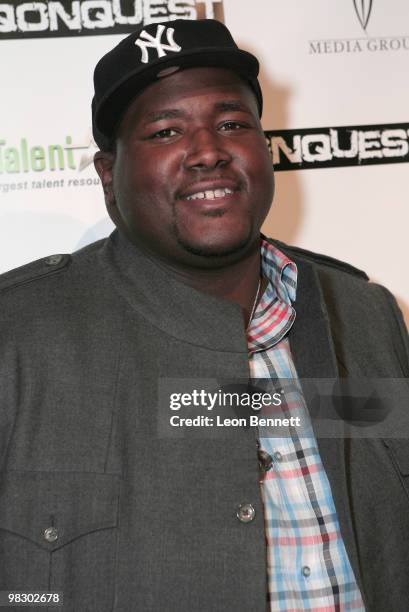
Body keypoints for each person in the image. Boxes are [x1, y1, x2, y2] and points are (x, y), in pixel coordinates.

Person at [0, 18, 408, 612]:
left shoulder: (365, 316)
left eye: (232, 124)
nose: (209, 152)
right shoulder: (18, 336)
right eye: (166, 131)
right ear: (108, 176)